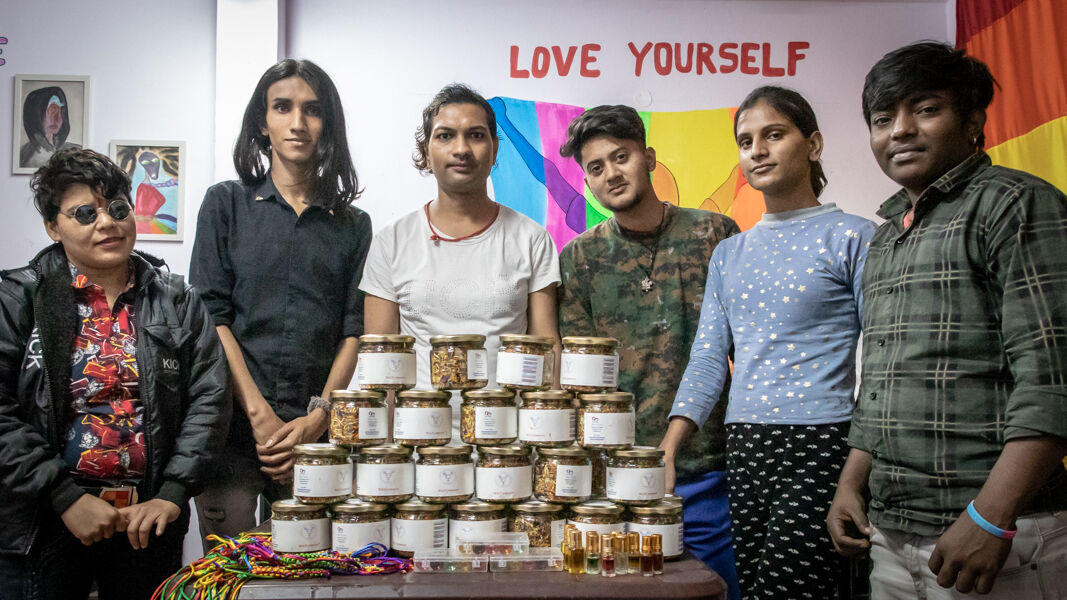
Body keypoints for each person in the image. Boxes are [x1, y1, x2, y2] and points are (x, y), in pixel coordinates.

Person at [827, 41, 1067, 598]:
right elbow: (881, 382)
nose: (901, 131)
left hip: (1002, 535)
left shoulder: (1014, 204)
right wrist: (849, 486)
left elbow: (1052, 379)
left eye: (927, 109)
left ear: (973, 119)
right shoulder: (886, 235)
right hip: (889, 535)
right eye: (883, 119)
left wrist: (990, 518)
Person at [663, 86, 875, 599]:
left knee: (793, 591)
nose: (757, 150)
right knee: (755, 590)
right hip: (745, 444)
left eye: (774, 134)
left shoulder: (855, 237)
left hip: (820, 442)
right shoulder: (729, 253)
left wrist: (857, 469)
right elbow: (710, 357)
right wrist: (668, 449)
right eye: (745, 141)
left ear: (814, 144)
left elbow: (886, 365)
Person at [0, 148, 231, 599]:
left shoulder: (178, 300)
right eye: (85, 213)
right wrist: (64, 498)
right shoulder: (17, 298)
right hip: (43, 523)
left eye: (118, 208)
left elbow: (211, 398)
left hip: (147, 525)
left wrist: (172, 492)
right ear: (53, 226)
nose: (106, 223)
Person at [556, 104, 741, 598]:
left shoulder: (714, 235)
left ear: (649, 158)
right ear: (588, 183)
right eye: (595, 168)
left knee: (719, 591)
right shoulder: (580, 259)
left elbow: (743, 352)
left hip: (708, 465)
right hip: (616, 478)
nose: (611, 174)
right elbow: (578, 378)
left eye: (621, 157)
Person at [190, 59, 372, 546]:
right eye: (282, 107)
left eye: (312, 110)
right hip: (230, 428)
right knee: (228, 569)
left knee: (308, 568)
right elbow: (213, 317)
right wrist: (258, 413)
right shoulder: (224, 204)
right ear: (261, 121)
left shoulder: (353, 225)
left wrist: (319, 415)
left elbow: (354, 330)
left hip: (315, 434)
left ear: (327, 123)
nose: (297, 122)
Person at [359, 83, 560, 434]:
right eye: (445, 136)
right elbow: (379, 369)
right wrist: (377, 456)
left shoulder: (531, 239)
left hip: (507, 446)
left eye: (476, 135)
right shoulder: (392, 241)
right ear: (425, 150)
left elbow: (548, 356)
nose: (461, 149)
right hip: (418, 445)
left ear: (495, 149)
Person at [20, 85, 81, 169]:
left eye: (61, 111)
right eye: (52, 110)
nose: (57, 118)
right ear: (35, 113)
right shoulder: (25, 157)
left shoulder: (76, 151)